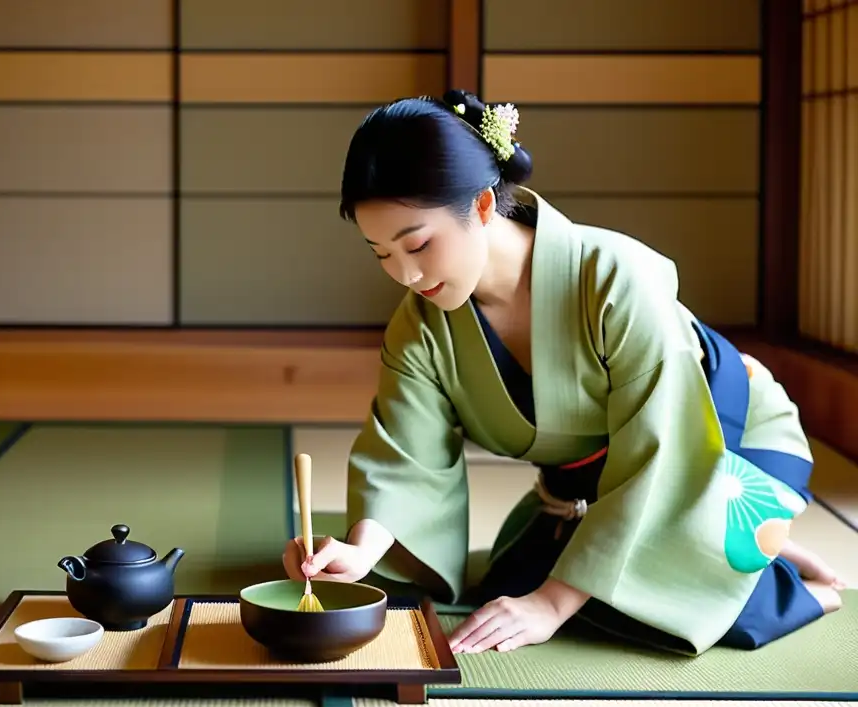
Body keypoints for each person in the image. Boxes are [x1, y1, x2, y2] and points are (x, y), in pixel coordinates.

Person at [282, 89, 846, 657]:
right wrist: (359, 554)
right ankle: (743, 549)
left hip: (722, 449)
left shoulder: (615, 276)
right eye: (381, 254)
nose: (405, 274)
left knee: (647, 613)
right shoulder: (422, 325)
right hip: (591, 488)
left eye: (419, 244)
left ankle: (792, 577)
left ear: (481, 206)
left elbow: (665, 446)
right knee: (506, 596)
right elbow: (406, 455)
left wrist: (553, 603)